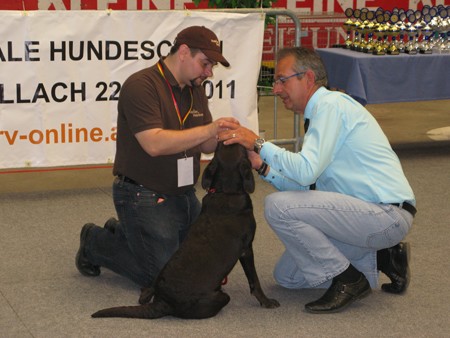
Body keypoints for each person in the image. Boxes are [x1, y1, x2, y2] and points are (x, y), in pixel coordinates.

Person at [218, 47, 416, 313]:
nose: (276, 90)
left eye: (281, 80)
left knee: (278, 206)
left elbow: (305, 172)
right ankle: (383, 255)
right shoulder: (320, 113)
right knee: (287, 278)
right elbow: (307, 187)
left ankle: (348, 280)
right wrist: (263, 166)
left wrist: (258, 142)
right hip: (362, 214)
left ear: (308, 78)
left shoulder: (330, 106)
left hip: (385, 213)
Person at [75, 26, 238, 288]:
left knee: (209, 268)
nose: (209, 72)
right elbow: (153, 143)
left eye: (211, 67)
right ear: (184, 52)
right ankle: (95, 242)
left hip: (184, 193)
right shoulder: (142, 85)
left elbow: (206, 144)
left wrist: (222, 134)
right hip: (143, 193)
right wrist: (208, 129)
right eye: (205, 63)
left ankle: (127, 234)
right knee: (167, 281)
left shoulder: (195, 87)